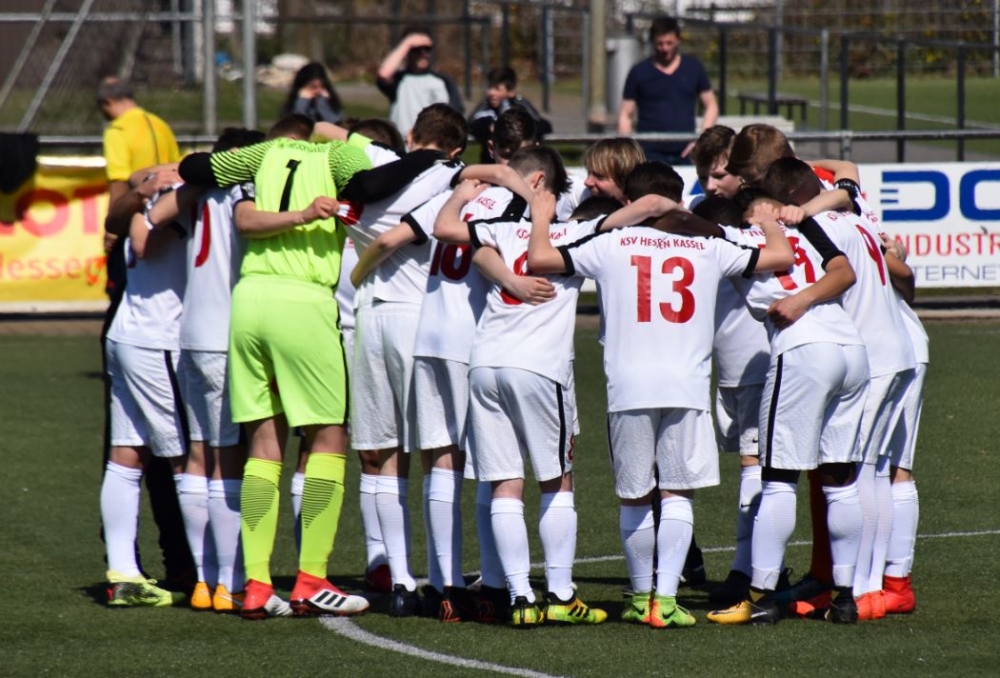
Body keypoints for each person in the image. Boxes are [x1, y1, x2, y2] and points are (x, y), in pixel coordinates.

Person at [524, 163, 794, 629]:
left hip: (628, 386)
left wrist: (542, 218)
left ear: (631, 202)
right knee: (677, 494)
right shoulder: (708, 246)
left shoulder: (611, 242)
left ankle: (639, 596)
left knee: (635, 497)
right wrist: (768, 221)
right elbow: (780, 256)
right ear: (679, 201)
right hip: (686, 386)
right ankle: (665, 601)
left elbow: (541, 259)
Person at [177, 131, 379, 620]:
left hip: (249, 304)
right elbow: (371, 185)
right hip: (302, 303)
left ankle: (256, 585)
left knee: (264, 444)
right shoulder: (342, 154)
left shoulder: (265, 153)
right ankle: (311, 580)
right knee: (329, 436)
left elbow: (194, 168)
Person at [97, 76, 193, 597]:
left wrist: (141, 189)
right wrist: (149, 197)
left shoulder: (148, 186)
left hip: (128, 332)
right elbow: (144, 239)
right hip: (156, 338)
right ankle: (210, 575)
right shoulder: (181, 196)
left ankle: (123, 574)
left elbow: (122, 205)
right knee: (183, 458)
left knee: (127, 455)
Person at [617, 16, 718, 165]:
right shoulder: (639, 72)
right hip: (649, 153)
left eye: (669, 43)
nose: (665, 48)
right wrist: (628, 151)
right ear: (652, 42)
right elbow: (626, 114)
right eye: (660, 44)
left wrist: (701, 140)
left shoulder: (693, 68)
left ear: (678, 40)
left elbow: (711, 105)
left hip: (686, 153)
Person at [377, 27, 463, 137]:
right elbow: (384, 74)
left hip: (436, 143)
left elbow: (455, 115)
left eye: (427, 48)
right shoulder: (399, 80)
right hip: (404, 144)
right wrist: (407, 43)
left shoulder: (443, 81)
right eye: (416, 49)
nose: (423, 53)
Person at [467, 66, 552, 163]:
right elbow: (471, 123)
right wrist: (490, 126)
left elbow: (543, 125)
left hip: (521, 162)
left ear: (511, 91)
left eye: (497, 88)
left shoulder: (520, 104)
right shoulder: (486, 105)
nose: (491, 92)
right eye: (490, 87)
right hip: (491, 163)